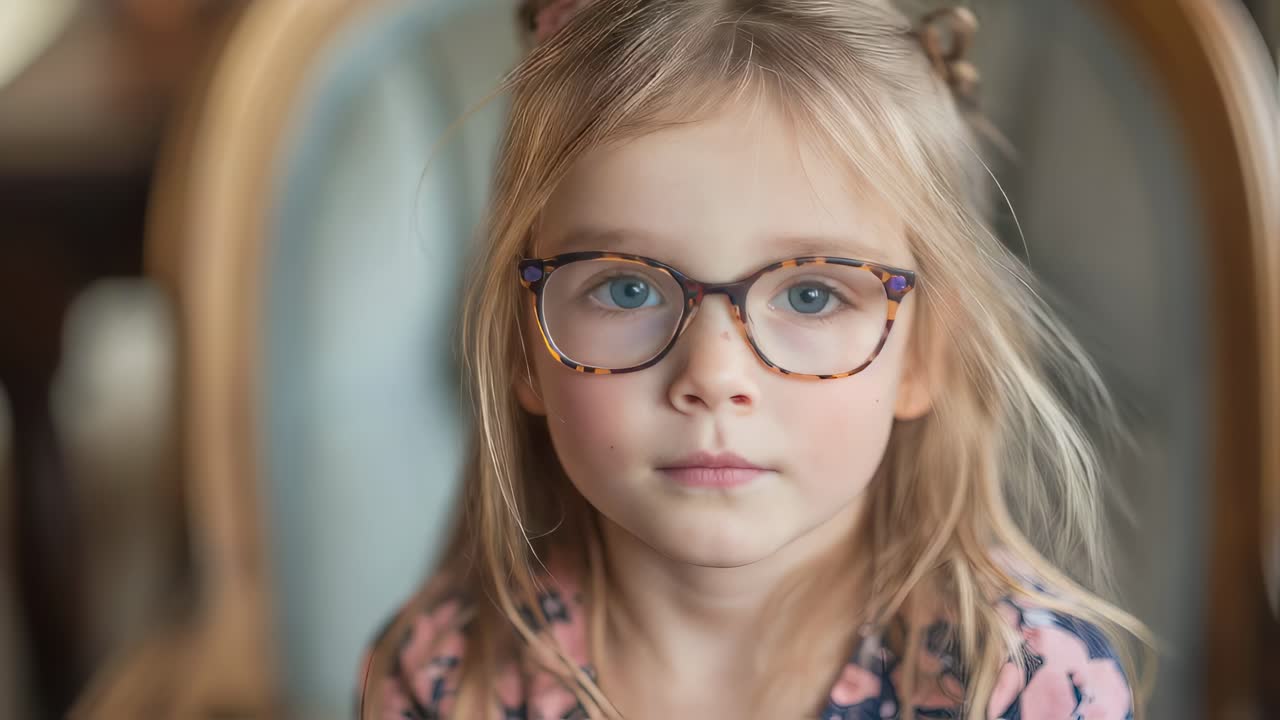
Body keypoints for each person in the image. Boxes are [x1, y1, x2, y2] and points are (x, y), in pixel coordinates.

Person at [358, 1, 1151, 717]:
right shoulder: (447, 680)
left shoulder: (1026, 687)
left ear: (922, 355)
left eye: (812, 295)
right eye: (626, 290)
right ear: (522, 350)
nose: (714, 377)